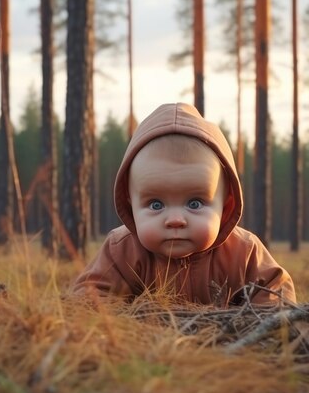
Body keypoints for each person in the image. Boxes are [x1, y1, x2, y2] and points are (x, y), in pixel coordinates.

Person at [73, 102, 295, 306]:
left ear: (225, 206)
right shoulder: (122, 250)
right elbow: (88, 299)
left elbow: (276, 294)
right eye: (156, 205)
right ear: (132, 205)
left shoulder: (243, 252)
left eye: (195, 203)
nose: (176, 220)